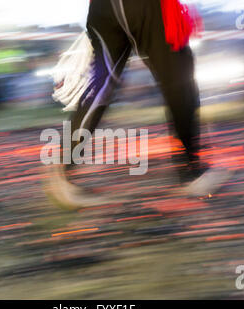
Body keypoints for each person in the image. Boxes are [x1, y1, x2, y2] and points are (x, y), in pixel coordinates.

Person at [46, 0, 232, 209]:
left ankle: (62, 170)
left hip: (103, 9)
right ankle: (192, 173)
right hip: (145, 7)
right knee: (179, 80)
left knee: (101, 87)